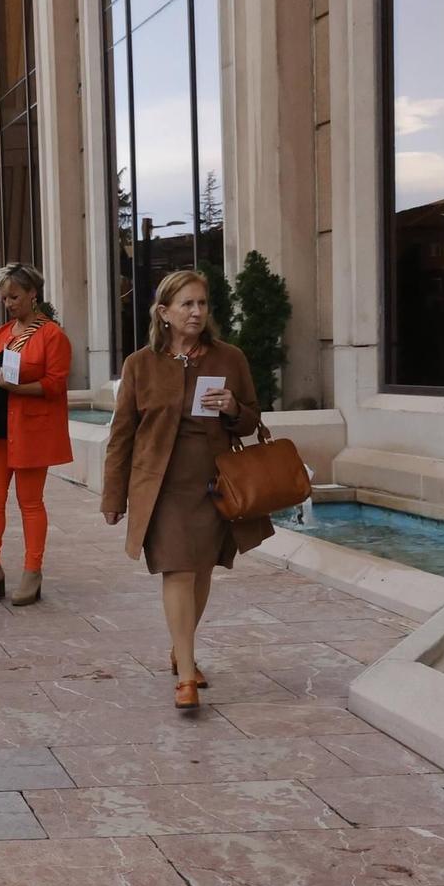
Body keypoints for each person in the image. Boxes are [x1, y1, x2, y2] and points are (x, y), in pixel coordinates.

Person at [102, 270, 273, 708]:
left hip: (215, 484)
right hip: (160, 486)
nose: (197, 312)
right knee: (177, 569)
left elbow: (253, 419)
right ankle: (186, 675)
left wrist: (234, 408)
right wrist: (113, 495)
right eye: (186, 305)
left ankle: (182, 650)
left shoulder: (228, 358)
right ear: (164, 313)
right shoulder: (140, 364)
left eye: (202, 304)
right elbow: (122, 434)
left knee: (201, 571)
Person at [0, 263, 73, 607]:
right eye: (4, 297)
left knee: (30, 503)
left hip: (29, 430)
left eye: (14, 296)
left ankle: (32, 571)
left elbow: (56, 385)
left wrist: (17, 387)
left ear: (33, 293)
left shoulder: (51, 335)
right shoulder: (0, 333)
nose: (9, 303)